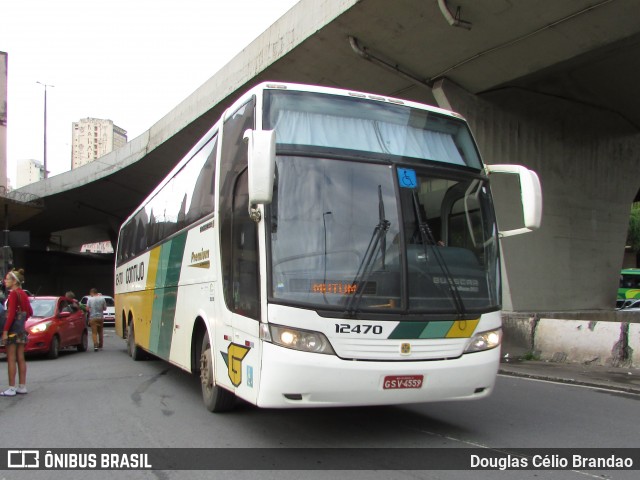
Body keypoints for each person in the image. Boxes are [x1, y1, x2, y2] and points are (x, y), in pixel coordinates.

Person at [1, 268, 33, 397]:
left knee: (11, 358)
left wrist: (5, 331)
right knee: (21, 357)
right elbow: (30, 312)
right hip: (21, 330)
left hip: (13, 330)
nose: (5, 281)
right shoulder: (23, 293)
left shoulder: (13, 294)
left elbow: (11, 314)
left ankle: (11, 387)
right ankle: (22, 386)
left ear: (14, 281)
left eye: (7, 279)